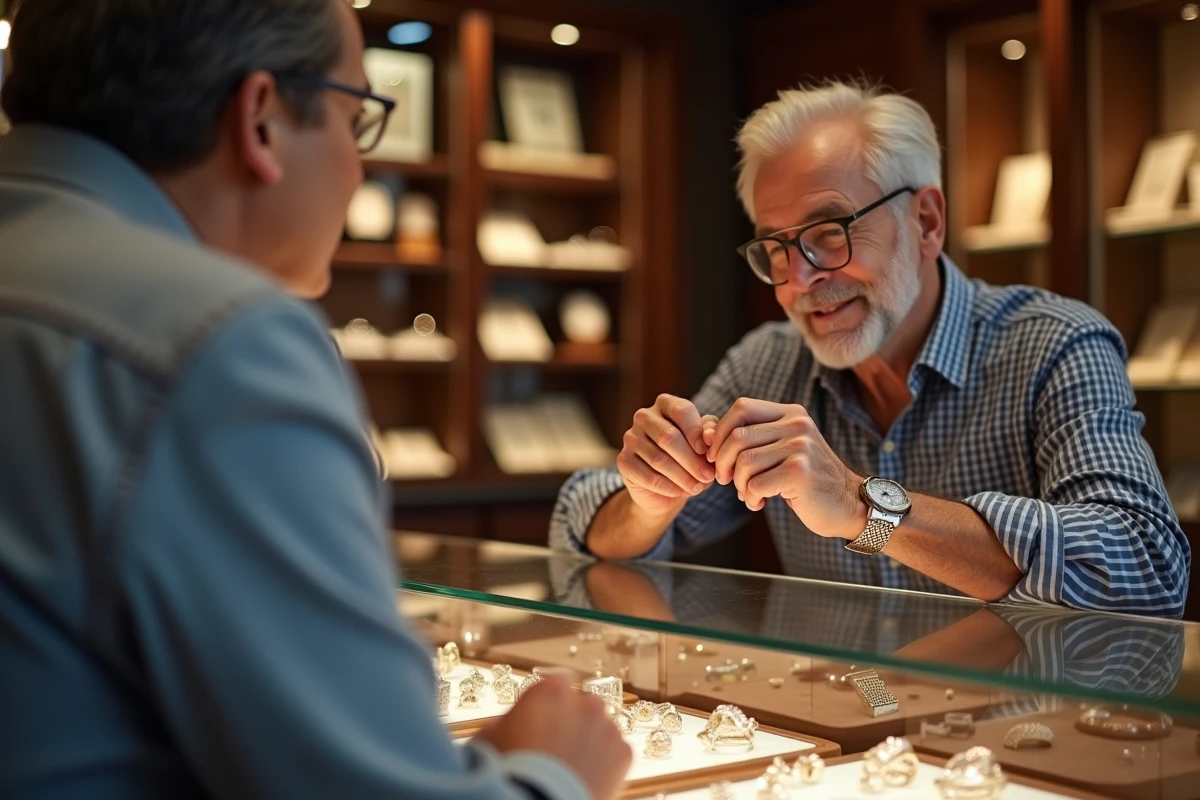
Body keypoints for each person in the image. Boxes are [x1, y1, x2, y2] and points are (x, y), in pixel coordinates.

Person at [0, 1, 630, 798]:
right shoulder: (220, 343)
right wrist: (554, 773)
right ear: (261, 119)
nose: (359, 169)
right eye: (356, 118)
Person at [550, 80, 1191, 618]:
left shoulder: (1055, 343)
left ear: (927, 222)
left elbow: (1147, 567)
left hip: (1011, 726)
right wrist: (650, 502)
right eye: (776, 248)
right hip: (836, 722)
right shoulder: (767, 361)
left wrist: (862, 506)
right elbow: (583, 529)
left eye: (830, 232)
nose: (800, 280)